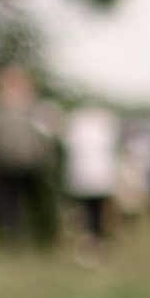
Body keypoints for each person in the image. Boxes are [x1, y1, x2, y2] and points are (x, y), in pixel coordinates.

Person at [0, 64, 54, 245]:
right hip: (4, 164)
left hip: (31, 164)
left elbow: (44, 137)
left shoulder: (33, 109)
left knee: (36, 201)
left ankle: (44, 235)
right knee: (9, 204)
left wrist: (42, 156)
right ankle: (12, 237)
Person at [64, 97, 119, 255]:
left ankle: (96, 238)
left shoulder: (103, 124)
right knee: (85, 211)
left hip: (98, 178)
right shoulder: (78, 124)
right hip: (83, 177)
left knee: (97, 211)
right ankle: (89, 239)